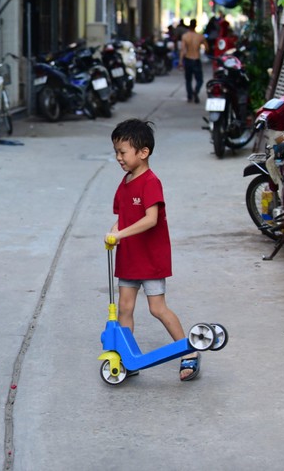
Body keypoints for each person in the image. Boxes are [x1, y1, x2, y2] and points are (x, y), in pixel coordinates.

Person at [104, 119, 200, 381]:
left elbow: (151, 219)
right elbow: (122, 217)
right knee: (124, 309)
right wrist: (114, 232)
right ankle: (127, 357)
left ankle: (189, 351)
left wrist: (120, 233)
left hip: (150, 258)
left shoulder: (150, 182)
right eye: (116, 152)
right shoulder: (124, 183)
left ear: (143, 152)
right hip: (129, 257)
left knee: (157, 308)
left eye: (122, 152)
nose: (118, 158)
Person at [179, 19, 209, 104]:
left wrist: (180, 61)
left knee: (188, 80)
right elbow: (207, 48)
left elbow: (183, 50)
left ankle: (190, 96)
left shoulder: (185, 36)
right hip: (196, 59)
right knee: (199, 79)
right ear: (196, 25)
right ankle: (196, 91)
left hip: (188, 59)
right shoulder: (200, 36)